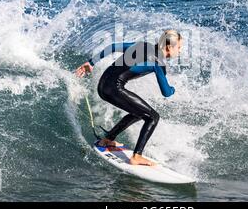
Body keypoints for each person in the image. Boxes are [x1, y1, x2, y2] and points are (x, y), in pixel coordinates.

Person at [76, 30, 183, 166]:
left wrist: (91, 63)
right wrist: (174, 89)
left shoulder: (142, 45)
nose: (179, 51)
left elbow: (113, 46)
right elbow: (166, 92)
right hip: (114, 88)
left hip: (103, 85)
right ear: (169, 47)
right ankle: (137, 156)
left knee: (140, 112)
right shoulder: (159, 62)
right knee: (153, 117)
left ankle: (108, 139)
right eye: (179, 47)